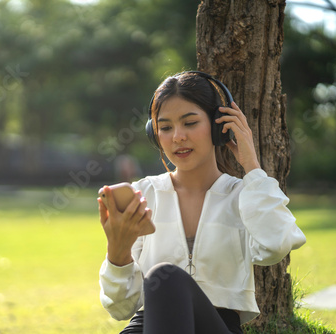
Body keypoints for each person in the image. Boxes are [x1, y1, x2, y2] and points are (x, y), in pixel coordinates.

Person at [97, 71, 306, 334]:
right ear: (155, 135)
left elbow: (278, 243)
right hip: (149, 325)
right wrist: (117, 252)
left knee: (168, 277)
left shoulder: (244, 196)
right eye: (165, 127)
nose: (178, 137)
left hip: (216, 326)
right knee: (163, 283)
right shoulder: (144, 194)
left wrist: (251, 166)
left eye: (190, 123)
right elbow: (120, 309)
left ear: (219, 127)